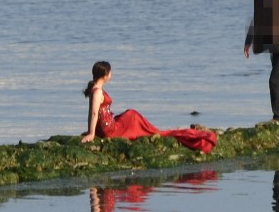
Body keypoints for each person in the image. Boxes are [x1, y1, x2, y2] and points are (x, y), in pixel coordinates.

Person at [81, 61, 218, 154]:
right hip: (109, 129)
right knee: (133, 115)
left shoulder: (95, 89)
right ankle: (153, 131)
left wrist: (90, 131)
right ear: (105, 76)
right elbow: (93, 113)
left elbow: (92, 114)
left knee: (130, 114)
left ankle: (151, 130)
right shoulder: (98, 91)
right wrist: (92, 134)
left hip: (106, 126)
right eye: (110, 73)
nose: (111, 75)